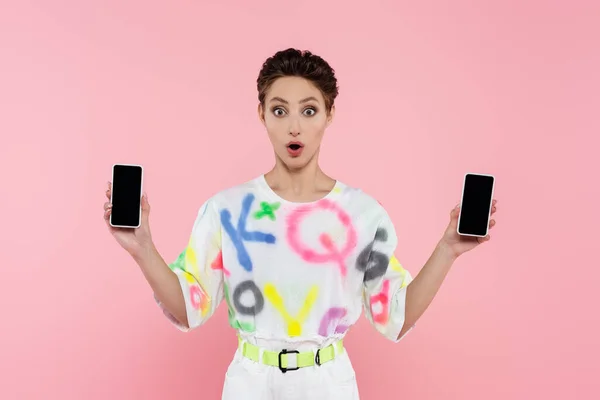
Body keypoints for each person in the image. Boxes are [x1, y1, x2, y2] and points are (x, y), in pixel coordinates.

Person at [103, 48, 498, 399]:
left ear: (329, 115)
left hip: (326, 383)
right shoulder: (227, 210)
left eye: (309, 110)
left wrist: (447, 249)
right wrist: (142, 249)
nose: (295, 126)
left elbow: (395, 315)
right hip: (249, 383)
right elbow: (189, 308)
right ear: (262, 115)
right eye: (280, 110)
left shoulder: (361, 215)